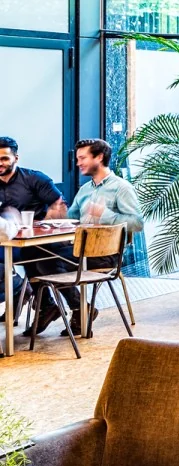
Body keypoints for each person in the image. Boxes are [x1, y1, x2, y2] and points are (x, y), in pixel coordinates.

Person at [42, 139, 145, 337]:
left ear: (99, 157)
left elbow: (137, 223)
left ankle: (78, 310)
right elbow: (72, 220)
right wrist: (57, 215)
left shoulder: (121, 188)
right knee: (37, 257)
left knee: (49, 262)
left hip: (107, 255)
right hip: (79, 250)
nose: (78, 162)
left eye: (83, 158)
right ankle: (79, 308)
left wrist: (105, 214)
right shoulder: (85, 190)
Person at [0, 136, 66, 327]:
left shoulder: (35, 179)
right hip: (7, 241)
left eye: (5, 158)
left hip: (38, 242)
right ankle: (23, 290)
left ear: (16, 158)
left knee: (36, 254)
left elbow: (59, 204)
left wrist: (47, 219)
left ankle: (46, 302)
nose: (0, 163)